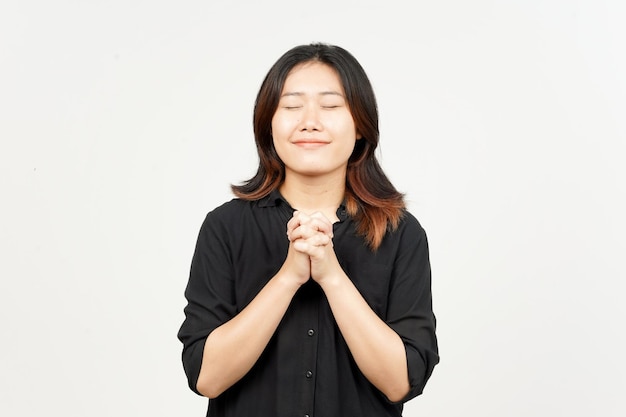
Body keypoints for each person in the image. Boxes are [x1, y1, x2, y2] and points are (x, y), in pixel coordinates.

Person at [177, 42, 439, 417]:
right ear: (269, 123)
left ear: (361, 126)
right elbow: (205, 376)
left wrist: (332, 276)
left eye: (331, 106)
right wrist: (288, 277)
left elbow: (401, 382)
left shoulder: (400, 233)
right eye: (291, 106)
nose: (310, 121)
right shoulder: (226, 227)